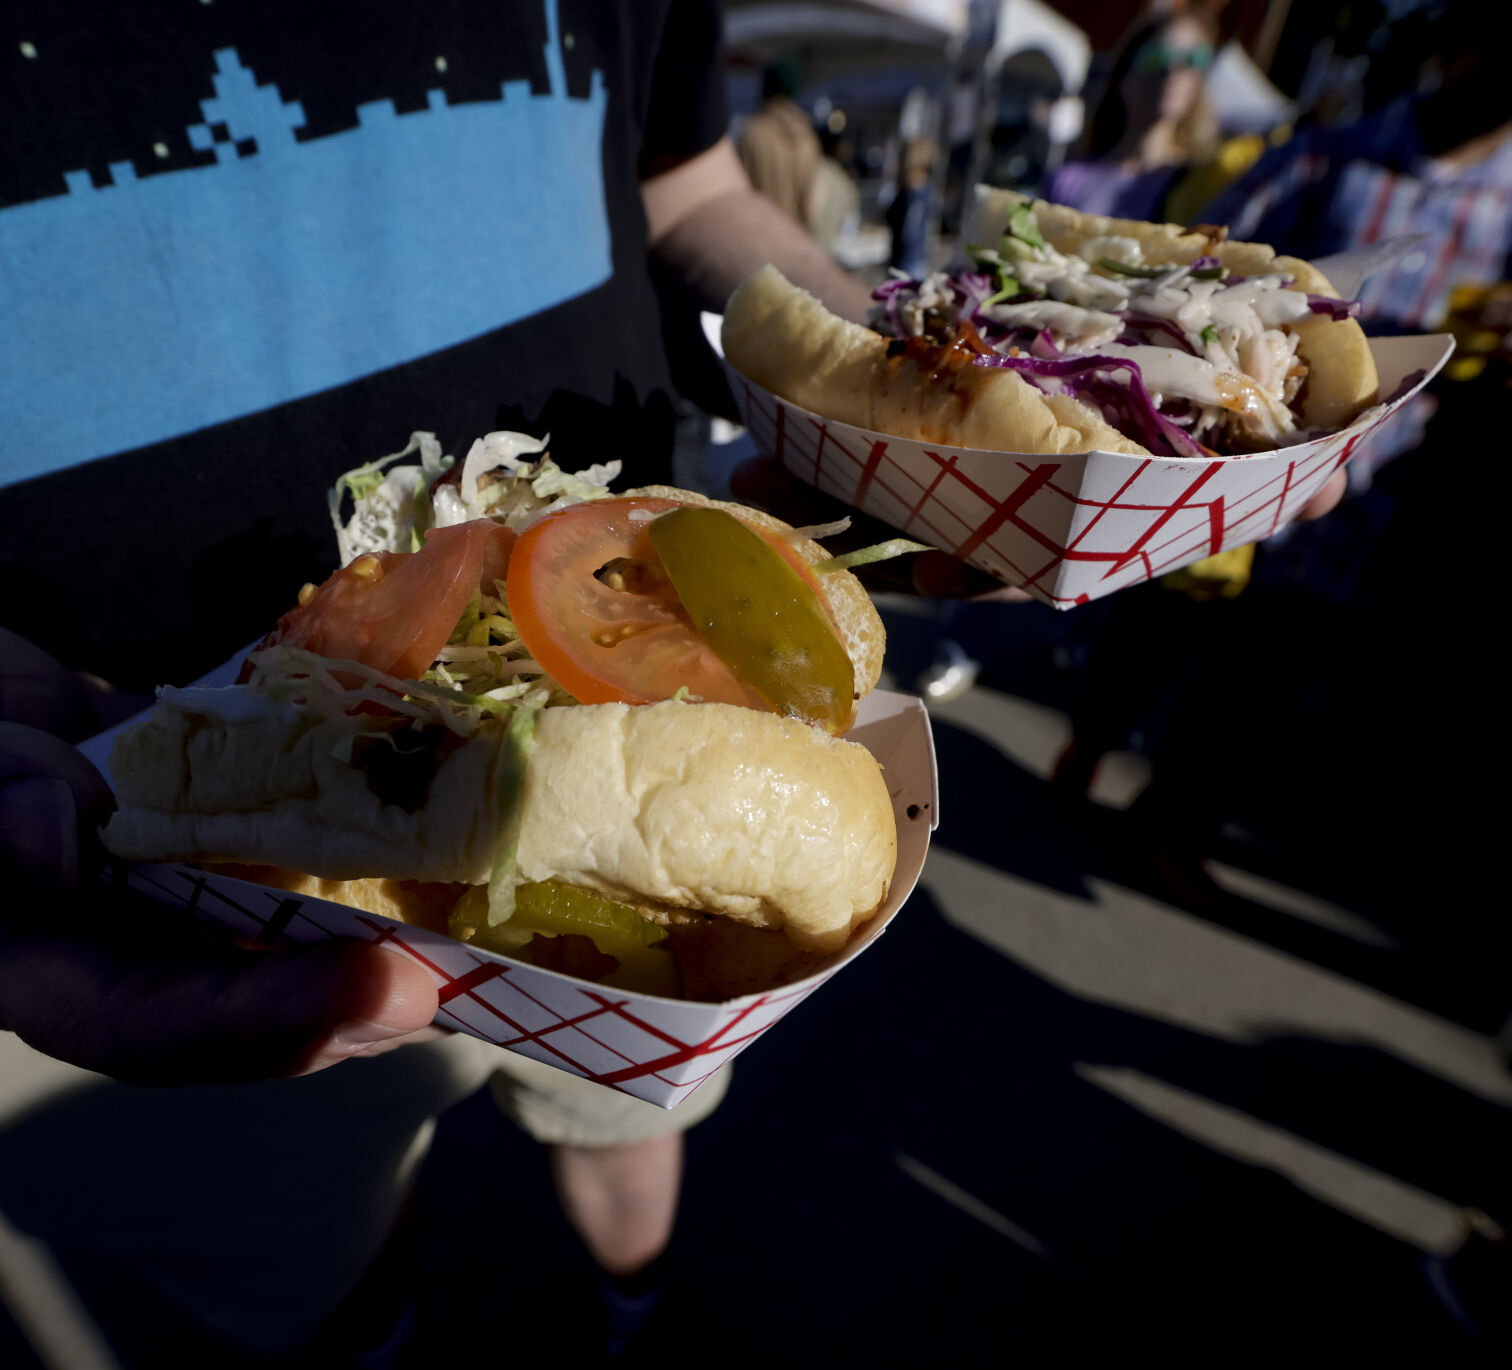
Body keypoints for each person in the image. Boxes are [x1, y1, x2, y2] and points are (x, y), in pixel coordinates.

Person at [0, 2, 877, 1361]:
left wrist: (872, 371)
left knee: (630, 1130)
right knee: (315, 1254)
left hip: (649, 767)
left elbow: (686, 171)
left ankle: (627, 1316)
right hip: (127, 823)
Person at [736, 60, 822, 227]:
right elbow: (810, 205)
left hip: (760, 234)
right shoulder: (807, 136)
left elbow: (741, 196)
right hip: (797, 237)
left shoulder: (753, 133)